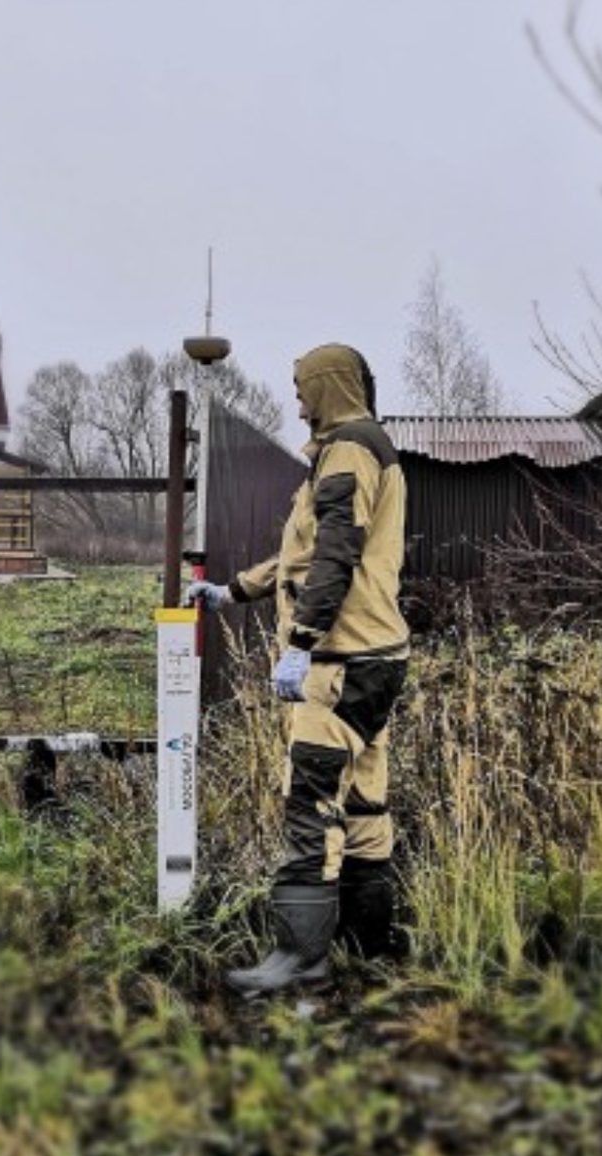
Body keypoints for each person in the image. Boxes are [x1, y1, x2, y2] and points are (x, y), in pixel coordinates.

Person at [185, 343, 409, 997]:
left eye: (302, 386)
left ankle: (299, 960)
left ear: (329, 385)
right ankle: (371, 947)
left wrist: (303, 642)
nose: (297, 399)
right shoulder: (366, 449)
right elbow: (302, 552)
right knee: (364, 806)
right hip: (377, 660)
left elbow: (334, 555)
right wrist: (234, 592)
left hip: (338, 666)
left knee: (310, 804)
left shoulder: (347, 452)